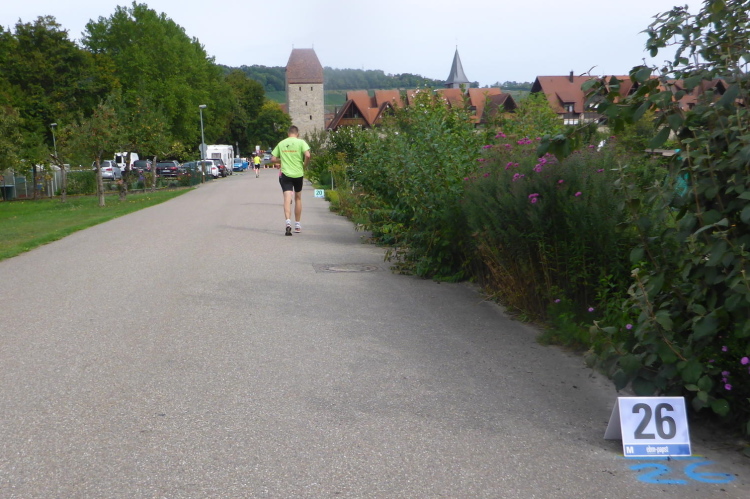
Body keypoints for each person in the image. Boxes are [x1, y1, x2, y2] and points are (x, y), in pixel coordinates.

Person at [271, 125, 310, 236]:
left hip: (286, 174)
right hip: (298, 173)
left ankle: (288, 222)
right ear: (297, 134)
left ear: (288, 134)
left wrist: (282, 160)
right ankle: (297, 224)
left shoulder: (282, 143)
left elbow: (273, 159)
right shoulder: (301, 142)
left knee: (287, 199)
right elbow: (308, 155)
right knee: (298, 198)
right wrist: (305, 165)